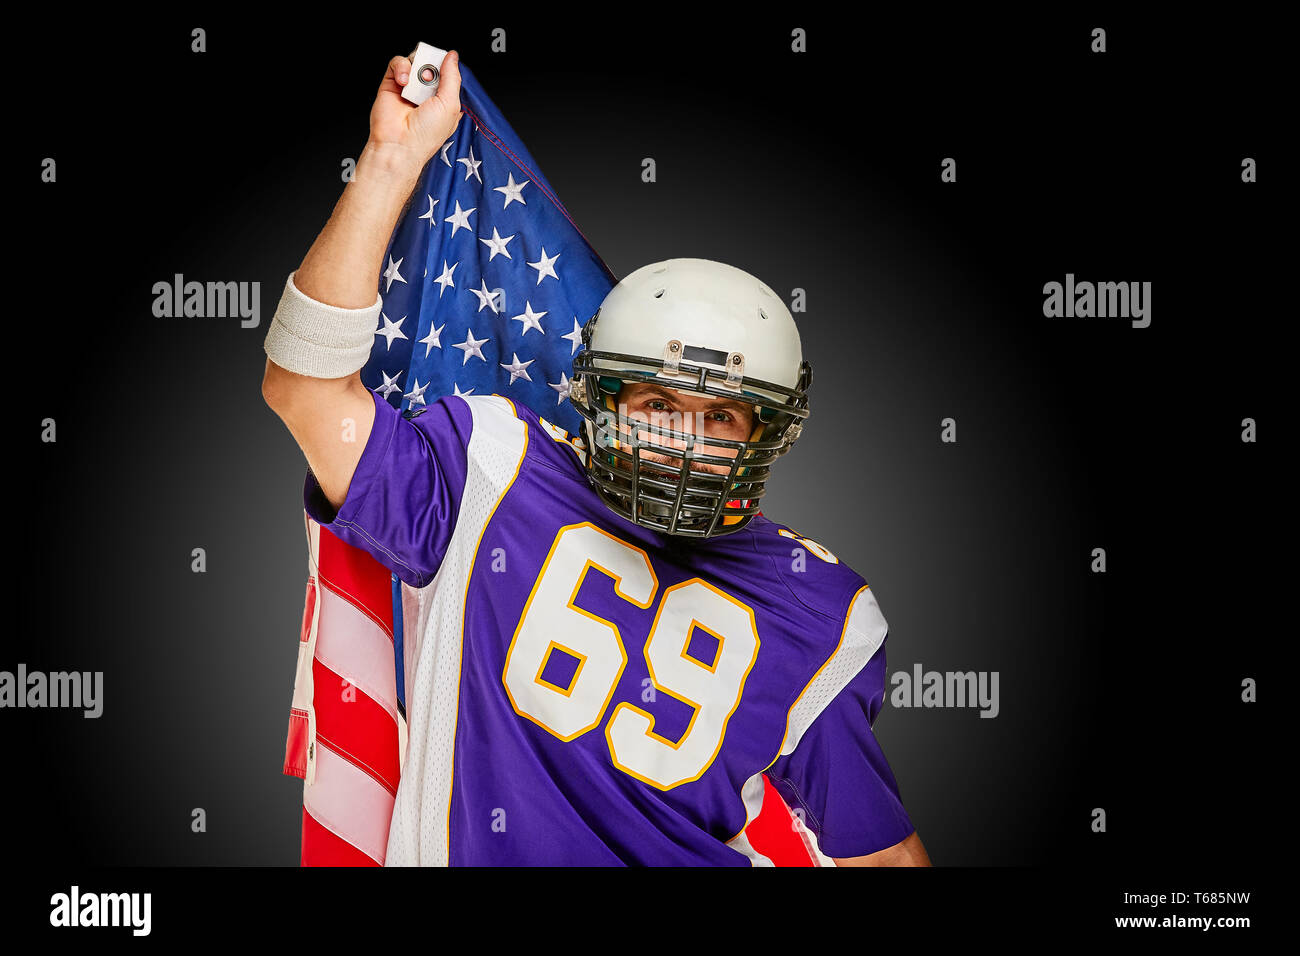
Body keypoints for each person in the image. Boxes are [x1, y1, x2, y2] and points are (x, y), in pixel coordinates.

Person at [261, 49, 930, 866]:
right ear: (599, 399)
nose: (683, 441)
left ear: (766, 433)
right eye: (656, 404)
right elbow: (305, 388)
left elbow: (883, 856)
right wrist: (393, 158)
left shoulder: (816, 605)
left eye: (719, 416)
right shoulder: (492, 473)